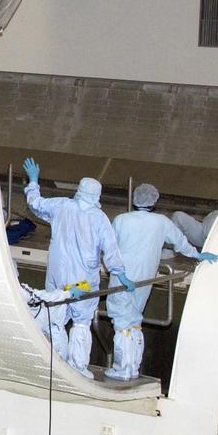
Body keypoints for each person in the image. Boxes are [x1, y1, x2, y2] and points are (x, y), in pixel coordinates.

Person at [23, 158, 135, 378]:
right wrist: (120, 274)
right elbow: (110, 249)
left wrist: (34, 181)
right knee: (81, 322)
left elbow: (36, 204)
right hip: (82, 280)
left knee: (55, 317)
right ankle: (78, 367)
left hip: (57, 274)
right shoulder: (99, 218)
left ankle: (56, 361)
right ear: (97, 195)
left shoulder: (62, 206)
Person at [105, 184, 218, 381]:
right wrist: (197, 255)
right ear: (154, 201)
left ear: (135, 199)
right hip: (146, 277)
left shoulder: (122, 220)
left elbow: (109, 248)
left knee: (121, 320)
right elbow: (180, 242)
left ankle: (122, 369)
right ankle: (132, 368)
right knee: (134, 320)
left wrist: (118, 273)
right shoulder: (161, 222)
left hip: (123, 276)